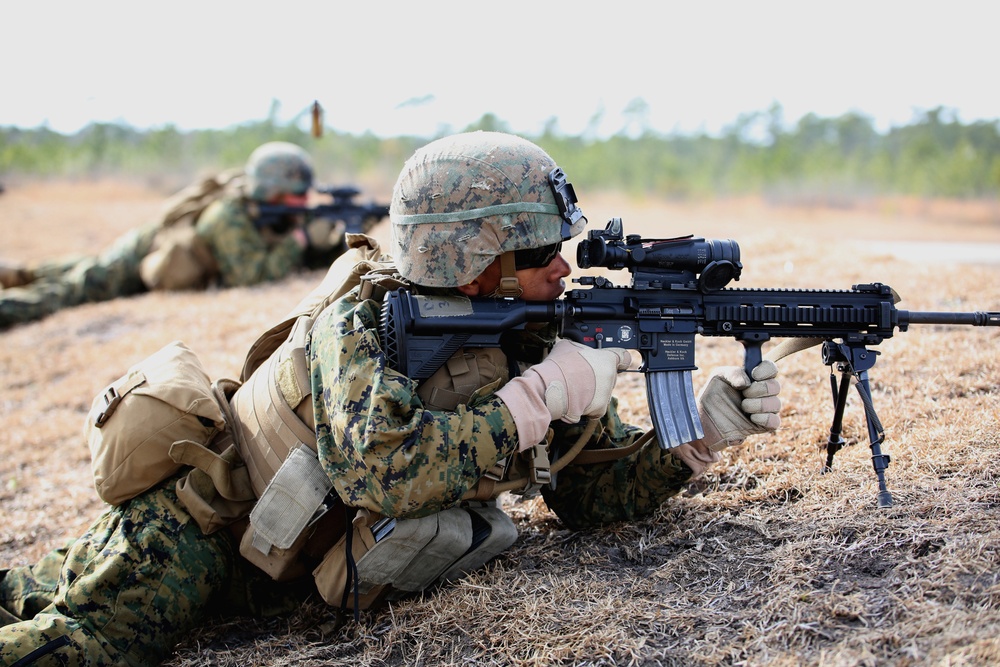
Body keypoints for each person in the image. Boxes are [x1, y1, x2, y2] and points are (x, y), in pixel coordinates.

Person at [0, 131, 782, 665]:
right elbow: (385, 471)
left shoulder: (533, 330)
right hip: (195, 532)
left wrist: (701, 432)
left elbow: (589, 493)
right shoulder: (364, 321)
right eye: (543, 250)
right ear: (475, 256)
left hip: (272, 570)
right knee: (69, 644)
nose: (564, 268)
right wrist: (533, 401)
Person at [0, 141, 314, 330]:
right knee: (77, 289)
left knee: (89, 269)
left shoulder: (263, 211)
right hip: (146, 251)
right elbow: (248, 277)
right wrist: (294, 244)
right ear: (271, 190)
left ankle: (20, 273)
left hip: (154, 251)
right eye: (295, 194)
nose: (303, 202)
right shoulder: (228, 216)